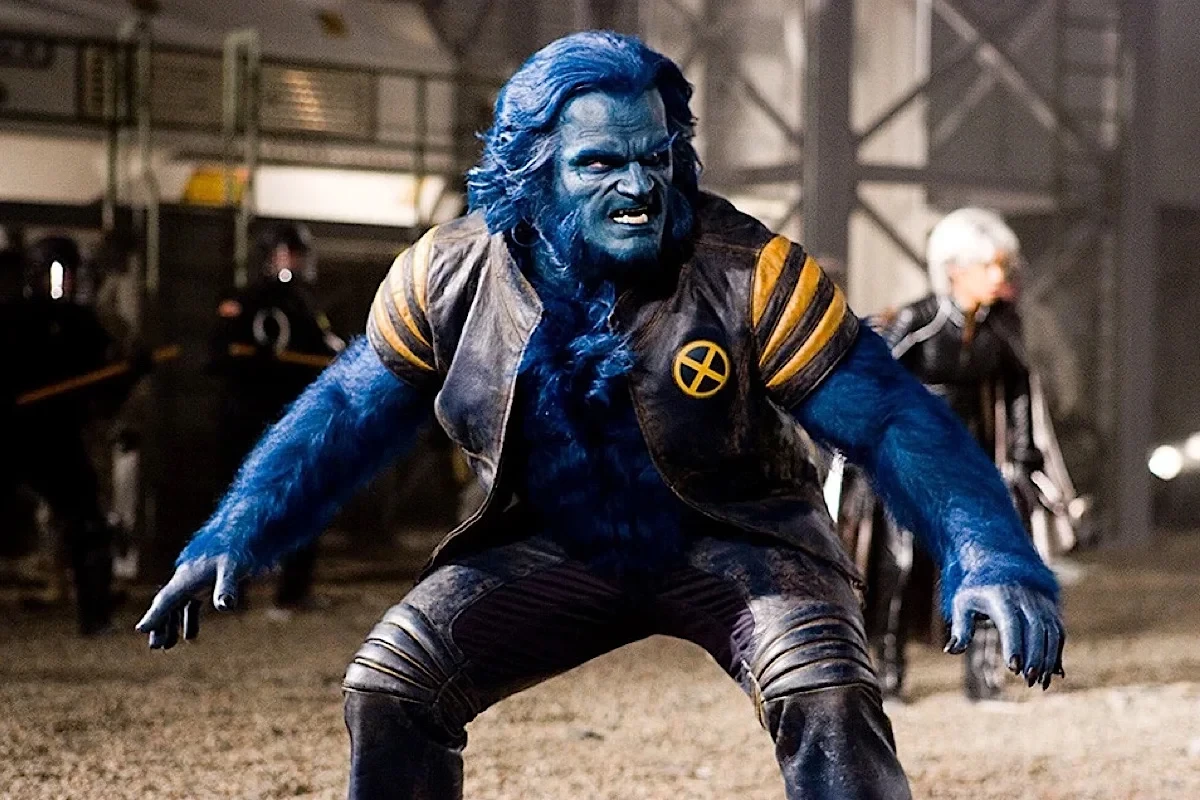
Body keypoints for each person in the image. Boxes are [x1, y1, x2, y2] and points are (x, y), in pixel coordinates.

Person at [138, 33, 1064, 799]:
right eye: (599, 163)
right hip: (547, 542)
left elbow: (890, 418)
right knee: (390, 687)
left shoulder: (751, 272)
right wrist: (235, 533)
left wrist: (988, 552)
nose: (639, 186)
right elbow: (345, 410)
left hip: (739, 536)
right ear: (532, 172)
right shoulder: (444, 276)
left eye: (655, 157)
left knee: (824, 689)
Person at [850, 207, 1072, 701]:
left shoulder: (1002, 327)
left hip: (974, 468)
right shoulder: (918, 320)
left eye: (1002, 265)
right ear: (954, 269)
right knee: (898, 567)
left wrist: (1022, 456)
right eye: (988, 265)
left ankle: (984, 679)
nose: (999, 276)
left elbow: (1019, 388)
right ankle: (887, 676)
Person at [1, 234, 141, 635]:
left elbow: (105, 390)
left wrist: (129, 372)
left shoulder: (86, 325)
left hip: (59, 438)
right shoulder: (12, 318)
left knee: (89, 524)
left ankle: (95, 615)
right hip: (11, 434)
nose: (62, 283)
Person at [208, 221, 344, 616]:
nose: (291, 265)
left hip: (290, 421)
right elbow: (219, 354)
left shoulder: (305, 306)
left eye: (296, 257)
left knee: (305, 501)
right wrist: (253, 358)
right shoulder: (244, 301)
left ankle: (293, 591)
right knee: (241, 507)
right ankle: (230, 592)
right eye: (284, 256)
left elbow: (325, 352)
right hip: (246, 421)